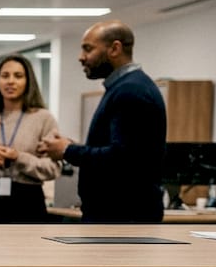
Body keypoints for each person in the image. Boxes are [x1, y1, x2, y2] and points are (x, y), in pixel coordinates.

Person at [38, 21, 166, 222]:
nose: (81, 58)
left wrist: (68, 151)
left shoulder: (131, 91)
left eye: (88, 49)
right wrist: (70, 146)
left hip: (122, 216)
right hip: (116, 213)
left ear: (115, 48)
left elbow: (122, 159)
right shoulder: (125, 87)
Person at [0, 54, 61, 223]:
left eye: (18, 76)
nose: (10, 81)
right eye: (5, 76)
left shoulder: (43, 118)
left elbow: (53, 169)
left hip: (28, 200)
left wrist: (18, 157)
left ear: (28, 82)